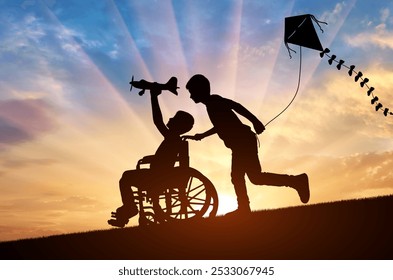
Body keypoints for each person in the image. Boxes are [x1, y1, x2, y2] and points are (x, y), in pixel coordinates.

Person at [183, 74, 309, 216]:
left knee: (240, 176)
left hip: (242, 142)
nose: (191, 96)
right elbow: (220, 126)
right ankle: (295, 181)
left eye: (191, 92)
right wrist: (202, 136)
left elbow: (236, 106)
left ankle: (246, 207)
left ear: (199, 90)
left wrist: (255, 121)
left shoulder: (214, 101)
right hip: (241, 143)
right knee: (254, 177)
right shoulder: (211, 105)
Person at [108, 85, 194, 227]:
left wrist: (154, 96)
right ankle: (130, 211)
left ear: (179, 125)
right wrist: (151, 158)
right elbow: (166, 159)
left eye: (174, 118)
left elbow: (157, 121)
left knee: (126, 178)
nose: (170, 119)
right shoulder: (174, 140)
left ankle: (130, 208)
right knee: (127, 176)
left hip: (158, 176)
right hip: (161, 174)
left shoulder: (172, 138)